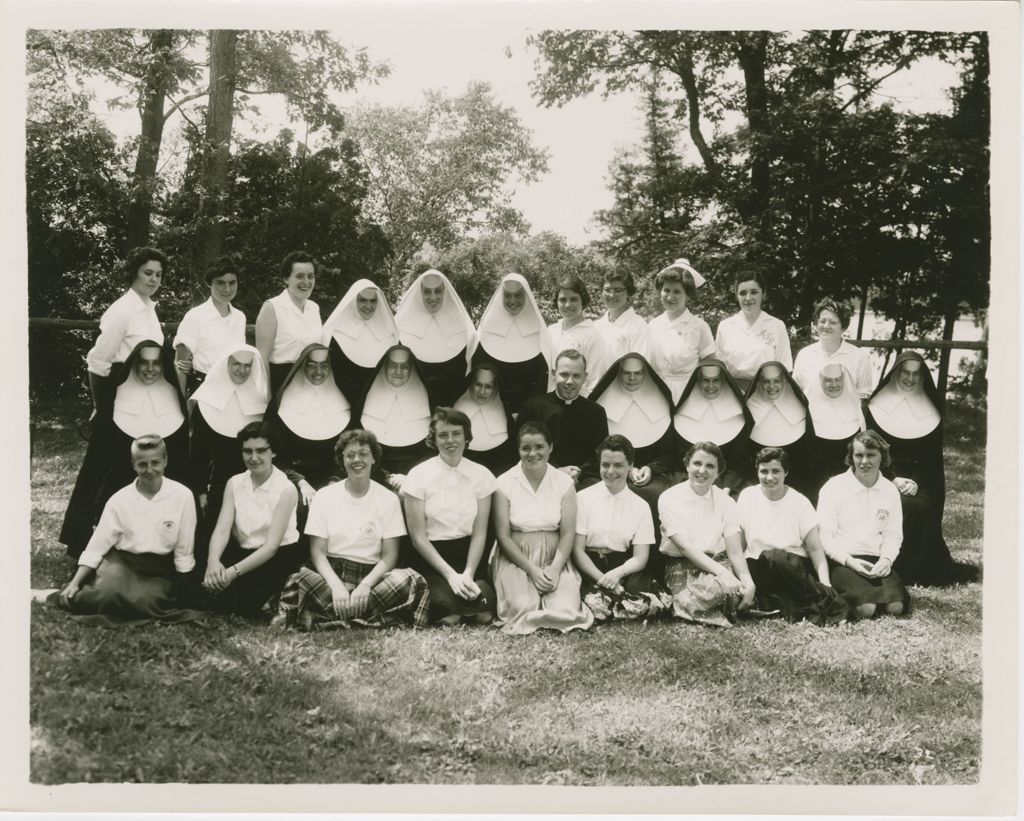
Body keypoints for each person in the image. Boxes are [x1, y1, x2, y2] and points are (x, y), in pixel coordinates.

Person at [276, 430, 430, 630]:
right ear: (342, 460)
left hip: (372, 578)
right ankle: (367, 618)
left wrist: (365, 586)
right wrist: (337, 586)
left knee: (411, 581)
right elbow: (318, 553)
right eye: (350, 455)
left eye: (364, 454)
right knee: (300, 580)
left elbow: (390, 555)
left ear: (374, 458)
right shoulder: (325, 496)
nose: (357, 460)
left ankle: (329, 617)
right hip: (330, 575)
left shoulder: (388, 498)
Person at [60, 340, 189, 559]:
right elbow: (93, 473)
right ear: (134, 364)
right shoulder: (115, 400)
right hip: (118, 497)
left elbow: (181, 464)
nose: (150, 369)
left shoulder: (173, 400)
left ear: (163, 366)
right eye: (144, 363)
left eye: (156, 363)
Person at [57, 435, 201, 624]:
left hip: (158, 568)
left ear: (165, 460)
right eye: (142, 464)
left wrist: (185, 589)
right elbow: (97, 546)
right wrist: (75, 582)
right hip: (121, 562)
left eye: (155, 462)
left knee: (145, 601)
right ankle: (64, 593)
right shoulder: (119, 500)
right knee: (108, 594)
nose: (150, 470)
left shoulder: (183, 496)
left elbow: (184, 548)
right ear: (133, 464)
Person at [866, 352, 977, 586]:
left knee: (923, 506)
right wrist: (893, 479)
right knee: (906, 506)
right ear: (896, 373)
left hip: (920, 478)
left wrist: (920, 485)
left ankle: (918, 568)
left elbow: (932, 462)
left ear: (922, 377)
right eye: (905, 372)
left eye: (916, 374)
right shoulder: (875, 407)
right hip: (884, 473)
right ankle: (898, 566)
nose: (910, 378)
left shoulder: (931, 409)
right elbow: (871, 451)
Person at [491, 421, 594, 634]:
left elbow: (567, 534)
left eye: (539, 447)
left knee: (565, 609)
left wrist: (555, 569)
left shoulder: (564, 483)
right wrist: (532, 571)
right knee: (522, 607)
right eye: (525, 448)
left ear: (550, 448)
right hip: (516, 556)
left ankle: (556, 597)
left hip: (555, 554)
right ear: (518, 450)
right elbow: (503, 536)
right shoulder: (503, 483)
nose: (533, 453)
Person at [401, 407, 497, 625]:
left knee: (484, 613)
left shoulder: (481, 475)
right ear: (434, 439)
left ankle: (469, 591)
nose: (450, 440)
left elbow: (480, 533)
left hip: (469, 556)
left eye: (456, 433)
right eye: (443, 435)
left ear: (466, 437)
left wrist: (468, 573)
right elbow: (418, 537)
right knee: (449, 615)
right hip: (432, 558)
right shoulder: (418, 476)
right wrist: (452, 577)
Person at [736, 447, 849, 626]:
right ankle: (809, 604)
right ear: (757, 472)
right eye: (764, 471)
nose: (769, 477)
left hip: (793, 568)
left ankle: (827, 599)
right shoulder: (747, 496)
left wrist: (825, 583)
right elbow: (739, 542)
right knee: (766, 561)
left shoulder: (799, 502)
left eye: (776, 471)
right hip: (759, 568)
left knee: (775, 557)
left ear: (786, 472)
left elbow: (815, 548)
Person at [202, 421, 303, 618]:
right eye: (247, 451)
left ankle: (274, 597)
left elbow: (270, 547)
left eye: (261, 451)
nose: (253, 457)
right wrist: (213, 562)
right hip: (242, 552)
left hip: (276, 557)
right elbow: (222, 530)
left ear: (273, 452)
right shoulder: (234, 483)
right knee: (209, 591)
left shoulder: (286, 489)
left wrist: (231, 573)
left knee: (240, 604)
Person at [572, 435, 669, 622]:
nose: (610, 471)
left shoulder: (641, 506)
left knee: (641, 600)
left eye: (618, 465)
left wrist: (617, 574)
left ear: (630, 465)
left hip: (624, 567)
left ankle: (612, 603)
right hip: (589, 565)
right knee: (583, 598)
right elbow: (577, 551)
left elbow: (641, 557)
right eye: (605, 465)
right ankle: (605, 602)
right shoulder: (583, 498)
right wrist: (603, 579)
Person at [657, 442, 755, 627]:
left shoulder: (726, 502)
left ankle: (724, 601)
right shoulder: (669, 498)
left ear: (718, 472)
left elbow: (735, 551)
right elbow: (685, 547)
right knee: (719, 591)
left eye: (710, 466)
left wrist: (748, 581)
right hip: (681, 564)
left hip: (718, 561)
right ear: (687, 465)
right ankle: (715, 604)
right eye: (697, 463)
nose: (702, 470)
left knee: (735, 588)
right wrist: (723, 575)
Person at [817, 430, 909, 618]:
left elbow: (893, 534)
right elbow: (825, 536)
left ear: (882, 457)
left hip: (875, 558)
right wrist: (849, 562)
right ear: (851, 457)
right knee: (866, 609)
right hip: (842, 560)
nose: (864, 461)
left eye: (871, 455)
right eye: (858, 455)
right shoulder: (833, 487)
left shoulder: (890, 490)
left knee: (896, 608)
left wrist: (886, 559)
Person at [188, 346, 270, 530]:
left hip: (251, 483)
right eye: (236, 364)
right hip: (216, 484)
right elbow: (199, 452)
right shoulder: (207, 398)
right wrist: (200, 491)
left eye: (247, 366)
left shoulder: (260, 399)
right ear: (226, 363)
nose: (242, 370)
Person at [264, 344, 352, 503]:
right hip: (291, 479)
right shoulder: (280, 405)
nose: (318, 372)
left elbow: (347, 451)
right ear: (302, 367)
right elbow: (274, 454)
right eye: (312, 366)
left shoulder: (344, 405)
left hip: (331, 480)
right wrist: (301, 483)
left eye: (324, 366)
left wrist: (333, 482)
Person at [85, 247, 167, 415]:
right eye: (148, 273)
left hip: (148, 391)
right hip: (121, 391)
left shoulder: (149, 309)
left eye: (158, 275)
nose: (154, 280)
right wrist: (100, 407)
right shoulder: (121, 310)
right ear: (134, 273)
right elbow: (98, 362)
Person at [516, 349, 609, 489]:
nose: (570, 381)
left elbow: (599, 455)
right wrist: (555, 471)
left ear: (585, 377)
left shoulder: (596, 412)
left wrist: (578, 472)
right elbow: (521, 451)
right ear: (554, 375)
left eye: (576, 376)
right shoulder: (532, 408)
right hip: (540, 477)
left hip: (582, 480)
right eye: (564, 375)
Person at [473, 273, 553, 416]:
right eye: (507, 295)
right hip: (490, 409)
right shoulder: (487, 329)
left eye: (518, 295)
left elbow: (542, 379)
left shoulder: (539, 332)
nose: (512, 300)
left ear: (527, 297)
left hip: (528, 412)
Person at [394, 269, 476, 408]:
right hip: (412, 406)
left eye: (437, 291)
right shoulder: (401, 329)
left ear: (445, 292)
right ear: (420, 294)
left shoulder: (464, 329)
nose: (433, 297)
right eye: (427, 291)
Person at [673, 359, 754, 497]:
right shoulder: (682, 414)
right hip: (688, 479)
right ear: (698, 381)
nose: (710, 386)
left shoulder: (738, 415)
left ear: (723, 381)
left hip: (728, 483)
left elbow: (739, 463)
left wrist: (727, 487)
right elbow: (678, 460)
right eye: (706, 380)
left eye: (715, 380)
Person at [357, 345, 432, 490]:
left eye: (404, 367)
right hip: (375, 477)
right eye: (393, 366)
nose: (398, 372)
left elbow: (428, 452)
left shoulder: (427, 402)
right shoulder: (364, 401)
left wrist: (409, 478)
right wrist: (386, 477)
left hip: (415, 479)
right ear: (385, 367)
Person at [643, 258, 717, 403]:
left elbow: (710, 365)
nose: (670, 297)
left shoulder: (698, 327)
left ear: (687, 295)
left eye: (677, 291)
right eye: (666, 290)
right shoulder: (653, 325)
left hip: (688, 395)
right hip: (655, 393)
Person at [320, 279, 400, 414]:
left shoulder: (389, 335)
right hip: (342, 404)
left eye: (373, 301)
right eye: (363, 300)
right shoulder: (335, 334)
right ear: (353, 301)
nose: (368, 306)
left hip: (378, 406)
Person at [172, 254, 247, 396]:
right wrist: (181, 408)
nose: (227, 289)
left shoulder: (240, 317)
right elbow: (180, 367)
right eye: (220, 283)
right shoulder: (195, 317)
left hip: (233, 391)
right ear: (209, 283)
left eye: (232, 283)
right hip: (203, 390)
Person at [255, 250, 323, 394]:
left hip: (310, 381)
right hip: (281, 383)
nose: (306, 282)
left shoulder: (314, 308)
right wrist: (268, 398)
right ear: (286, 278)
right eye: (299, 276)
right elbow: (262, 359)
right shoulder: (272, 307)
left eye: (310, 276)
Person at [744, 361, 815, 496]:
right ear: (759, 382)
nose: (771, 386)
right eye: (766, 381)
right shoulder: (748, 409)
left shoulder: (799, 408)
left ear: (784, 381)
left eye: (776, 381)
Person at [715, 271, 792, 393]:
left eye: (754, 292)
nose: (748, 298)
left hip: (767, 392)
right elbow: (718, 368)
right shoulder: (725, 327)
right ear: (736, 295)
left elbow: (784, 367)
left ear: (764, 294)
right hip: (732, 393)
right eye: (742, 293)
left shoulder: (776, 325)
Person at [804, 362, 865, 503]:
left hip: (845, 474)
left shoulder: (854, 408)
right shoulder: (809, 407)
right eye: (828, 380)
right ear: (820, 381)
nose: (834, 385)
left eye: (838, 380)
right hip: (814, 476)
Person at [792, 297, 873, 399]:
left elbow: (864, 398)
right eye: (822, 321)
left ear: (843, 327)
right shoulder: (804, 355)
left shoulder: (860, 358)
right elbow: (795, 394)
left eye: (833, 322)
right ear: (816, 324)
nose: (826, 326)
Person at [546, 274, 609, 397]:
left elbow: (595, 381)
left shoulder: (592, 335)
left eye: (574, 299)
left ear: (583, 300)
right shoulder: (550, 331)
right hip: (550, 404)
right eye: (563, 299)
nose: (568, 305)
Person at [453, 362, 518, 476]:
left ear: (495, 388)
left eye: (488, 386)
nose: (482, 391)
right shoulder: (455, 412)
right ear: (471, 384)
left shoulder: (508, 419)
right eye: (478, 384)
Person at [594, 270, 648, 361]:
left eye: (618, 290)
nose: (611, 295)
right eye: (607, 290)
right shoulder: (596, 326)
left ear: (628, 293)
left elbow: (639, 365)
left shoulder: (638, 326)